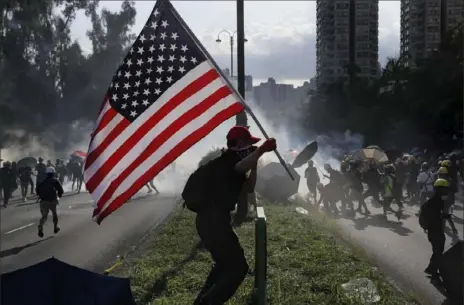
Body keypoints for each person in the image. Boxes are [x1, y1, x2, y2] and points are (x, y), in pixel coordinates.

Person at [191, 126, 277, 305]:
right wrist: (261, 150)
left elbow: (249, 188)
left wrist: (253, 166)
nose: (250, 148)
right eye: (248, 144)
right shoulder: (227, 160)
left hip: (212, 221)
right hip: (213, 221)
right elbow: (238, 167)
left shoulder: (231, 163)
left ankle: (202, 300)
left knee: (223, 265)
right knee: (238, 268)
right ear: (238, 144)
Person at [420, 178, 449, 281]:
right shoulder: (432, 203)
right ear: (439, 190)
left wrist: (443, 216)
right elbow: (432, 217)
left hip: (437, 230)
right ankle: (434, 276)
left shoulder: (439, 201)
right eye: (445, 189)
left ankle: (431, 269)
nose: (446, 192)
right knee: (438, 252)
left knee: (438, 251)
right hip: (434, 231)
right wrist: (441, 216)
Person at [36, 167, 63, 238]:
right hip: (52, 201)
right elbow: (61, 191)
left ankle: (40, 226)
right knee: (54, 214)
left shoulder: (42, 181)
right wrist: (58, 197)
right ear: (53, 173)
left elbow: (37, 191)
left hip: (43, 201)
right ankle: (55, 227)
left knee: (44, 217)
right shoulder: (55, 181)